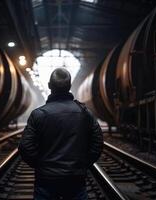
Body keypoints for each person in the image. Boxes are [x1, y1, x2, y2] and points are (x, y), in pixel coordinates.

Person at [19, 68, 103, 200]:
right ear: (69, 87)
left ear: (49, 86)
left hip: (46, 180)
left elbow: (25, 147)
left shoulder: (38, 114)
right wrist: (83, 164)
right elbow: (97, 142)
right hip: (76, 179)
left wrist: (41, 165)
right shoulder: (84, 113)